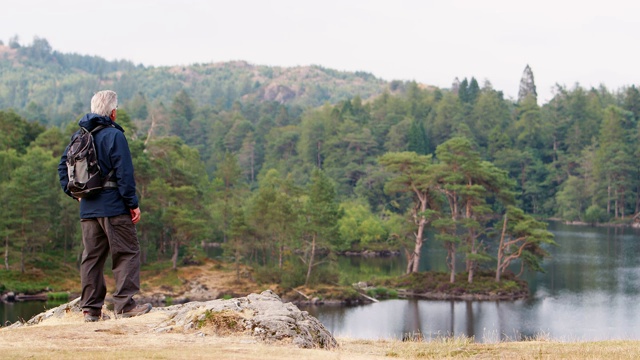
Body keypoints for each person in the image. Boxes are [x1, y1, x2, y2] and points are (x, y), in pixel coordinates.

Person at [58, 90, 151, 322]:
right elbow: (125, 173)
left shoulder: (78, 137)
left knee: (92, 258)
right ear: (113, 112)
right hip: (114, 208)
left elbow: (62, 169)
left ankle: (90, 310)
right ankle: (125, 306)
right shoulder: (114, 136)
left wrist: (75, 195)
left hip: (88, 210)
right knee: (127, 253)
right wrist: (133, 204)